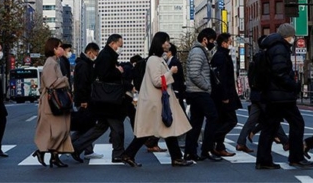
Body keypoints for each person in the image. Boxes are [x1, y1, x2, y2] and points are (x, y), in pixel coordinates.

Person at [121, 32, 193, 167]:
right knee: (153, 129)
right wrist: (171, 71)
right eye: (166, 41)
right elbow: (157, 81)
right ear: (159, 43)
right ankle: (129, 154)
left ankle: (176, 157)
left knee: (166, 128)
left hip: (158, 101)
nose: (168, 44)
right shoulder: (154, 60)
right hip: (156, 102)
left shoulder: (157, 59)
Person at [255, 23, 312, 169]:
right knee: (297, 123)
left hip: (272, 94)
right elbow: (279, 72)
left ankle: (263, 160)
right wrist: (293, 85)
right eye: (292, 36)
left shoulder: (271, 46)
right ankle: (296, 157)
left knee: (269, 127)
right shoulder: (280, 48)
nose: (293, 39)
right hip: (282, 94)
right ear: (288, 36)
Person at [71, 34, 126, 163]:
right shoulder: (106, 56)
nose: (121, 48)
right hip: (108, 100)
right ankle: (118, 153)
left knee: (100, 127)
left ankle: (76, 148)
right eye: (120, 45)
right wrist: (118, 71)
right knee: (117, 126)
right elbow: (104, 75)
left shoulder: (107, 55)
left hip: (104, 100)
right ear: (112, 44)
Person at [236, 35, 289, 153]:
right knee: (273, 118)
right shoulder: (266, 57)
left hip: (255, 94)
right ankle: (286, 142)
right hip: (264, 94)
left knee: (252, 120)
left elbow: (251, 78)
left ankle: (241, 142)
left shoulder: (255, 59)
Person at [34, 37, 74, 167]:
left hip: (55, 101)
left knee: (61, 130)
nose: (62, 49)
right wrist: (65, 80)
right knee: (57, 130)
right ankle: (43, 151)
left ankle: (54, 157)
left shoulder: (55, 61)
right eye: (60, 47)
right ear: (54, 48)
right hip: (52, 102)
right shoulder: (51, 63)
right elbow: (51, 83)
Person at [183, 28, 222, 162]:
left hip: (195, 92)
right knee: (213, 117)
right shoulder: (198, 52)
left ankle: (191, 152)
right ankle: (207, 149)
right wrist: (207, 86)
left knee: (196, 121)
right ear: (204, 39)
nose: (213, 43)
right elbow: (194, 74)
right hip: (199, 92)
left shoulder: (198, 51)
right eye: (211, 40)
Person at [211, 33, 242, 157]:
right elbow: (222, 78)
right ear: (223, 43)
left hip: (222, 94)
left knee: (223, 120)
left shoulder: (220, 55)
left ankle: (219, 146)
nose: (231, 44)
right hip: (224, 95)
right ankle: (212, 139)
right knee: (231, 120)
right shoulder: (221, 57)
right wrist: (224, 96)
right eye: (229, 42)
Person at [71, 42, 103, 160]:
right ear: (89, 52)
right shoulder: (84, 65)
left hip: (84, 99)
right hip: (84, 100)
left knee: (85, 126)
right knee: (87, 126)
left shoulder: (85, 63)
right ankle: (70, 145)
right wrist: (84, 100)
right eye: (95, 53)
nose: (96, 56)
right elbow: (82, 84)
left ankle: (82, 149)